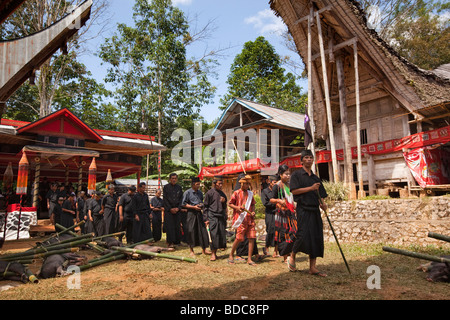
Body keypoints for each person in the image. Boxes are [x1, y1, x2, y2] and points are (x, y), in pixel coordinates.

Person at [289, 149, 328, 277]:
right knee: (302, 234)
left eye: (311, 157)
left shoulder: (316, 178)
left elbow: (320, 194)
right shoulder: (297, 175)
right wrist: (310, 188)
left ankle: (312, 267)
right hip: (303, 209)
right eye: (306, 157)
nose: (309, 159)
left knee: (316, 236)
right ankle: (292, 256)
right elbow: (294, 191)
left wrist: (322, 204)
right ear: (301, 161)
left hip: (315, 210)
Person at [228, 175, 257, 266]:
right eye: (246, 184)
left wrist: (253, 212)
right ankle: (231, 254)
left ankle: (249, 259)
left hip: (249, 219)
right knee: (239, 238)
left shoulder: (250, 194)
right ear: (241, 184)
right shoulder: (236, 193)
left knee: (251, 237)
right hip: (240, 219)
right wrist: (237, 207)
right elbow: (230, 203)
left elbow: (252, 204)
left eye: (248, 184)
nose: (247, 186)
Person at [270, 165, 297, 264]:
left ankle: (290, 254)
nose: (288, 175)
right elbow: (271, 199)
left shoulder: (289, 185)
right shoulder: (277, 186)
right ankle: (286, 257)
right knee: (284, 234)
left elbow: (292, 198)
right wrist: (279, 201)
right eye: (286, 174)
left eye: (289, 173)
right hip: (281, 214)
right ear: (281, 175)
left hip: (290, 212)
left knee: (294, 231)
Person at [182, 177, 210, 257]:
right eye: (197, 184)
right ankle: (191, 250)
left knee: (202, 230)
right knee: (191, 231)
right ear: (193, 184)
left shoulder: (200, 193)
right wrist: (193, 207)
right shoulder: (187, 193)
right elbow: (183, 204)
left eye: (199, 184)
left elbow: (201, 201)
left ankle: (204, 249)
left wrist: (200, 205)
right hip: (191, 213)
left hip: (199, 213)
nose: (198, 186)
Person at [203, 176, 228, 261]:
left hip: (220, 216)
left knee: (220, 234)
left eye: (222, 184)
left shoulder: (222, 194)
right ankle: (213, 254)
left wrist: (223, 202)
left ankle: (216, 252)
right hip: (212, 216)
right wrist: (206, 218)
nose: (221, 185)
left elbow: (225, 207)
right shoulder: (209, 193)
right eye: (219, 184)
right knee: (213, 234)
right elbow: (205, 206)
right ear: (214, 184)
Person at [163, 173, 183, 248]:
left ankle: (177, 241)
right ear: (170, 179)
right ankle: (170, 242)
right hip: (169, 210)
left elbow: (181, 199)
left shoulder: (179, 187)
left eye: (175, 178)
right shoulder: (166, 187)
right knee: (170, 226)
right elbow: (165, 199)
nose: (174, 180)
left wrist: (178, 208)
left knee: (177, 226)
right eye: (172, 178)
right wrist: (170, 208)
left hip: (177, 210)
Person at [261, 175, 278, 257]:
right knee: (270, 230)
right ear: (269, 182)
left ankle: (276, 251)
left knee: (278, 231)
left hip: (278, 213)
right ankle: (266, 247)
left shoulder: (278, 191)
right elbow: (265, 203)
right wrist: (276, 203)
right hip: (269, 213)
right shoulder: (265, 191)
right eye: (274, 183)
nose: (275, 184)